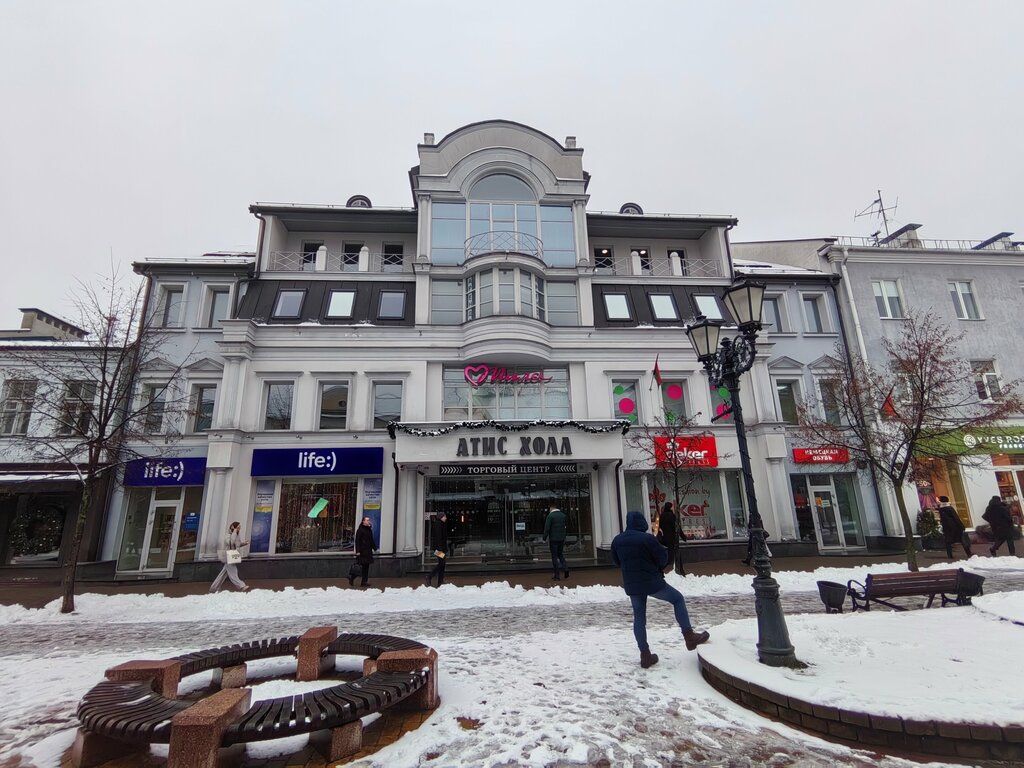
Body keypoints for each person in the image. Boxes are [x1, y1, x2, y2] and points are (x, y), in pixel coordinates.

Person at [611, 511, 709, 669]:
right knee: (677, 599)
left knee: (639, 618)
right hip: (652, 582)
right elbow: (663, 559)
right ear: (642, 522)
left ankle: (645, 655)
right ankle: (689, 637)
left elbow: (616, 562)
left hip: (632, 584)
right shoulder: (647, 539)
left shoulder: (617, 540)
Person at [209, 521, 250, 593]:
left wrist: (244, 543)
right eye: (238, 527)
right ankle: (241, 585)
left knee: (223, 573)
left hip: (232, 555)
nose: (239, 529)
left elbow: (237, 544)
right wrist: (234, 532)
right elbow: (231, 542)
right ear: (233, 527)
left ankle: (214, 588)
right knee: (233, 571)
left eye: (239, 528)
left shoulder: (236, 535)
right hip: (228, 555)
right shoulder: (228, 535)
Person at [543, 505, 569, 581]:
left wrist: (544, 538)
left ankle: (557, 575)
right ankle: (566, 567)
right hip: (562, 539)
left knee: (554, 556)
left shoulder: (550, 516)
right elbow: (566, 526)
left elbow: (547, 528)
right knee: (560, 554)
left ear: (551, 509)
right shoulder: (563, 515)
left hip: (553, 539)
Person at [658, 501, 683, 576]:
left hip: (665, 537)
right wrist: (683, 537)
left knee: (671, 554)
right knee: (672, 555)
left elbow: (660, 526)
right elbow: (677, 527)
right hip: (672, 538)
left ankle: (678, 569)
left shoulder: (662, 515)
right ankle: (661, 569)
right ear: (670, 507)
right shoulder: (672, 516)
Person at [349, 516, 375, 587]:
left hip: (368, 551)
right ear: (363, 521)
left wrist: (374, 548)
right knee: (360, 566)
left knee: (366, 567)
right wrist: (358, 551)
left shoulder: (369, 530)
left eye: (368, 520)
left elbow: (371, 540)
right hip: (362, 552)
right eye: (367, 520)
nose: (368, 521)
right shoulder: (360, 530)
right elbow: (357, 541)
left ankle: (364, 582)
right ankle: (352, 578)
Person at [425, 512, 448, 587]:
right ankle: (430, 576)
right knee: (442, 563)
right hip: (438, 549)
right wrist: (440, 549)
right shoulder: (438, 524)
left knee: (442, 564)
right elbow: (438, 538)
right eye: (444, 516)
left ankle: (440, 581)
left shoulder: (441, 524)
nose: (445, 518)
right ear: (441, 517)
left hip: (440, 548)